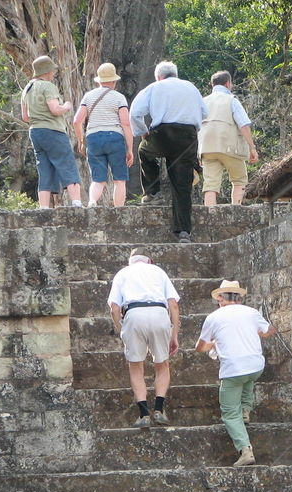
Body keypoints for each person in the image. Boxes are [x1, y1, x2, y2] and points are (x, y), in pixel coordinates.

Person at [195, 280, 276, 467]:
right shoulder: (252, 312)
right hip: (256, 366)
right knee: (247, 375)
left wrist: (214, 343)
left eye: (218, 299)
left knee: (230, 413)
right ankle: (246, 410)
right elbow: (269, 331)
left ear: (221, 298)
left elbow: (200, 347)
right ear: (239, 298)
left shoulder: (214, 317)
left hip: (233, 370)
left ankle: (245, 449)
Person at [130, 61, 208, 241]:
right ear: (176, 74)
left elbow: (135, 113)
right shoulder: (191, 87)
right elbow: (205, 113)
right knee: (182, 184)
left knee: (144, 151)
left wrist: (143, 133)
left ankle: (152, 193)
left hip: (162, 133)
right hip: (187, 136)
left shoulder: (154, 87)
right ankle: (183, 232)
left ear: (158, 76)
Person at [107, 248, 181, 428]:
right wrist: (174, 334)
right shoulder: (159, 271)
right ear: (149, 260)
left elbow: (114, 308)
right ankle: (159, 409)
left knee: (136, 366)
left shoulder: (123, 273)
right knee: (162, 363)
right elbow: (173, 304)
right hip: (159, 312)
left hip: (134, 313)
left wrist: (121, 329)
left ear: (130, 261)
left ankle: (143, 414)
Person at [20, 55, 82, 208]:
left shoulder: (27, 89)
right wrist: (67, 106)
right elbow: (55, 109)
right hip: (53, 131)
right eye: (53, 70)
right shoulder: (47, 86)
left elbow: (25, 117)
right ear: (47, 71)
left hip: (35, 132)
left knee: (44, 168)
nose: (54, 73)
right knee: (66, 163)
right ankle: (76, 203)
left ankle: (43, 207)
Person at [72, 62, 133, 207]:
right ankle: (119, 210)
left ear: (99, 80)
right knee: (119, 179)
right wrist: (130, 148)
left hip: (93, 137)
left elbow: (76, 121)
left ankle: (93, 201)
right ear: (114, 81)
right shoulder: (119, 98)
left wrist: (81, 141)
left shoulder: (89, 96)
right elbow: (126, 123)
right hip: (114, 137)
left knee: (98, 179)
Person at [198, 71, 259, 206]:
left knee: (210, 184)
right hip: (230, 147)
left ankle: (210, 214)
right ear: (228, 83)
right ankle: (236, 209)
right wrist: (252, 147)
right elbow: (243, 125)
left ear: (212, 84)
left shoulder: (202, 102)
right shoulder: (231, 100)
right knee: (239, 179)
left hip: (207, 148)